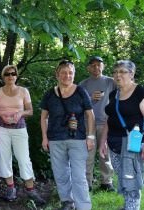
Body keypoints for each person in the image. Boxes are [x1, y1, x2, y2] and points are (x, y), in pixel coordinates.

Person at [40, 60, 95, 210]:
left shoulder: (80, 91)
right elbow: (43, 117)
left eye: (70, 72)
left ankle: (83, 206)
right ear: (57, 74)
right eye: (64, 72)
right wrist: (44, 137)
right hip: (55, 139)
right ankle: (67, 201)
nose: (67, 75)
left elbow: (90, 115)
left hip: (78, 139)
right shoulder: (50, 94)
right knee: (60, 173)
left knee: (78, 175)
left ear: (74, 74)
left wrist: (90, 137)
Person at [0, 65, 45, 204]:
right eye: (7, 74)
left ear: (16, 75)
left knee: (24, 159)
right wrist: (2, 116)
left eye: (13, 73)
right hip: (2, 128)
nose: (10, 76)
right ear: (3, 77)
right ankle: (11, 189)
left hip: (19, 128)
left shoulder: (23, 91)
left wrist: (20, 113)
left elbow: (30, 111)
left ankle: (30, 190)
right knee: (4, 158)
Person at [99, 60, 144, 210]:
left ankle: (132, 207)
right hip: (114, 144)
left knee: (131, 181)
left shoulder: (140, 92)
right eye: (115, 72)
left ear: (131, 74)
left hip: (132, 144)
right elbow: (109, 119)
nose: (118, 75)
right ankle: (128, 206)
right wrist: (102, 142)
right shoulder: (114, 94)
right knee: (123, 179)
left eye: (122, 72)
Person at [79, 56, 116, 192]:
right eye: (93, 65)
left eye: (99, 65)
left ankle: (106, 182)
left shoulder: (111, 82)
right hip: (88, 123)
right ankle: (86, 182)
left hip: (106, 122)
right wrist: (89, 98)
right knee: (87, 154)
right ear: (88, 68)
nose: (96, 67)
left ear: (103, 66)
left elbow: (123, 93)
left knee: (105, 153)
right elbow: (77, 104)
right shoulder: (83, 84)